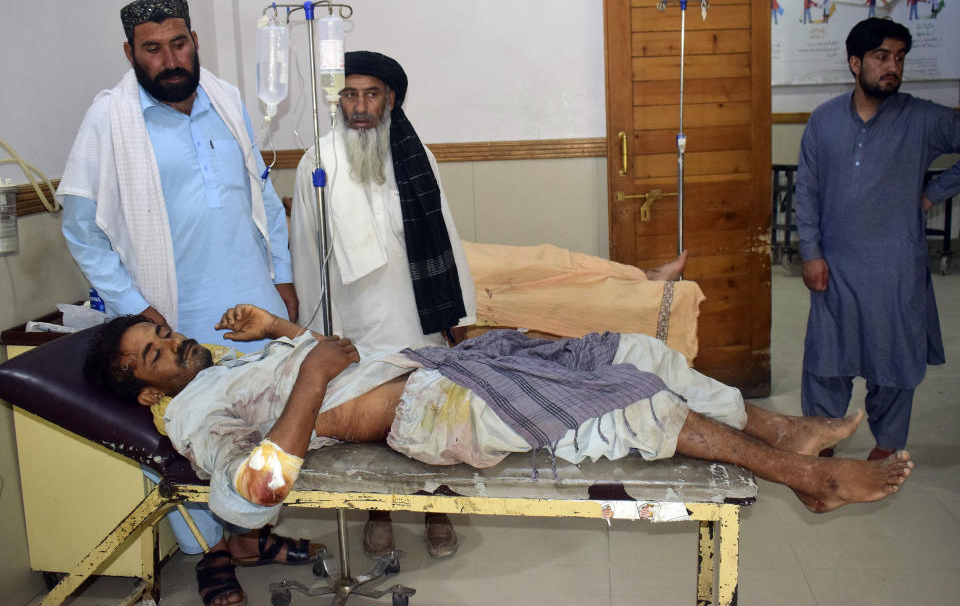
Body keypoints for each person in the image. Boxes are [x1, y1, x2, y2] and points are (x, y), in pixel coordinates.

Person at [86, 303, 914, 531]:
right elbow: (245, 497)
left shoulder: (222, 368)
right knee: (634, 405)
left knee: (633, 352)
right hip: (432, 411)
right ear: (149, 394)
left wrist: (283, 338)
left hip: (443, 369)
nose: (175, 345)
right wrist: (308, 377)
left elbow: (322, 365)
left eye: (162, 333)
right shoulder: (193, 414)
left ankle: (776, 429)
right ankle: (811, 478)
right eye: (155, 354)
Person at [56, 0, 303, 606]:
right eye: (152, 48)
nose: (170, 59)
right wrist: (135, 307)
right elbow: (80, 227)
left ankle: (250, 536)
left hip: (252, 299)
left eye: (179, 43)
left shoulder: (224, 99)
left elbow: (261, 194)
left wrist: (283, 274)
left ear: (195, 40)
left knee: (266, 415)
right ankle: (210, 554)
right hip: (174, 313)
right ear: (130, 53)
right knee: (188, 436)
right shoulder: (110, 119)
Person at [289, 50, 477, 558]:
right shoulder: (318, 162)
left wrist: (457, 314)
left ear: (390, 98)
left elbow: (447, 237)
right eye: (349, 94)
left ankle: (437, 509)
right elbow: (306, 250)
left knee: (430, 411)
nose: (360, 105)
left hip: (416, 315)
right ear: (338, 101)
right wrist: (314, 328)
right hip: (356, 320)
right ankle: (379, 512)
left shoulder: (419, 157)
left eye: (371, 93)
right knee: (368, 422)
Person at [794, 18, 960, 462]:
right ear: (855, 63)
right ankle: (821, 444)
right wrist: (810, 252)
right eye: (882, 56)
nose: (893, 66)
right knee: (827, 360)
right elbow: (806, 190)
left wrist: (935, 192)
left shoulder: (921, 117)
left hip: (895, 268)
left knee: (893, 363)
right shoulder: (825, 120)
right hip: (835, 266)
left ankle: (886, 450)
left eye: (900, 57)